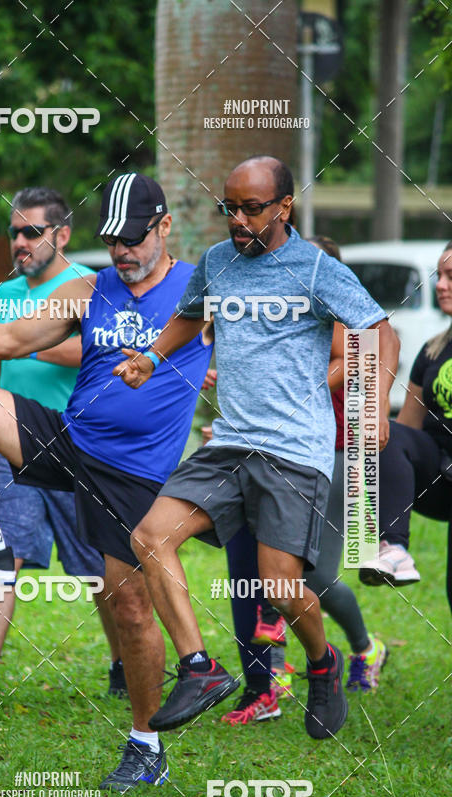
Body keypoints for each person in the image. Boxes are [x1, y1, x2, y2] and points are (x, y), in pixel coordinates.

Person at [0, 173, 213, 791]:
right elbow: (9, 339)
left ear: (165, 227)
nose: (122, 252)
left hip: (134, 475)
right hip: (71, 438)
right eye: (112, 240)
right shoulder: (90, 289)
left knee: (131, 609)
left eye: (134, 239)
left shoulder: (195, 288)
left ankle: (146, 747)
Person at [117, 156, 399, 740]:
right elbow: (188, 318)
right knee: (149, 536)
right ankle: (199, 668)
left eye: (251, 209)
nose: (238, 221)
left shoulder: (316, 269)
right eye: (230, 208)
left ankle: (322, 664)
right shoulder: (218, 262)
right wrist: (150, 356)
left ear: (284, 207)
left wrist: (374, 404)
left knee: (278, 584)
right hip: (231, 444)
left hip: (295, 449)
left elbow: (380, 331)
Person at [0, 187, 112, 706]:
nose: (19, 241)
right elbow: (1, 366)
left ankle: (127, 662)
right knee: (1, 548)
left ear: (61, 234)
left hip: (73, 442)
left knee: (102, 567)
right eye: (14, 231)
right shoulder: (6, 292)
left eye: (31, 232)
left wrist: (27, 338)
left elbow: (100, 352)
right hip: (9, 445)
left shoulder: (88, 285)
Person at [219, 234, 390, 723]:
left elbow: (366, 357)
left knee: (312, 575)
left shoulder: (345, 323)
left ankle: (364, 647)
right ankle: (274, 674)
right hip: (274, 458)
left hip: (336, 458)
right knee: (272, 572)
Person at [359, 240, 452, 604]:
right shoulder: (432, 349)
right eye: (439, 276)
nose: (440, 285)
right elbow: (404, 433)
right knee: (388, 433)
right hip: (441, 481)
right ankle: (393, 548)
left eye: (451, 277)